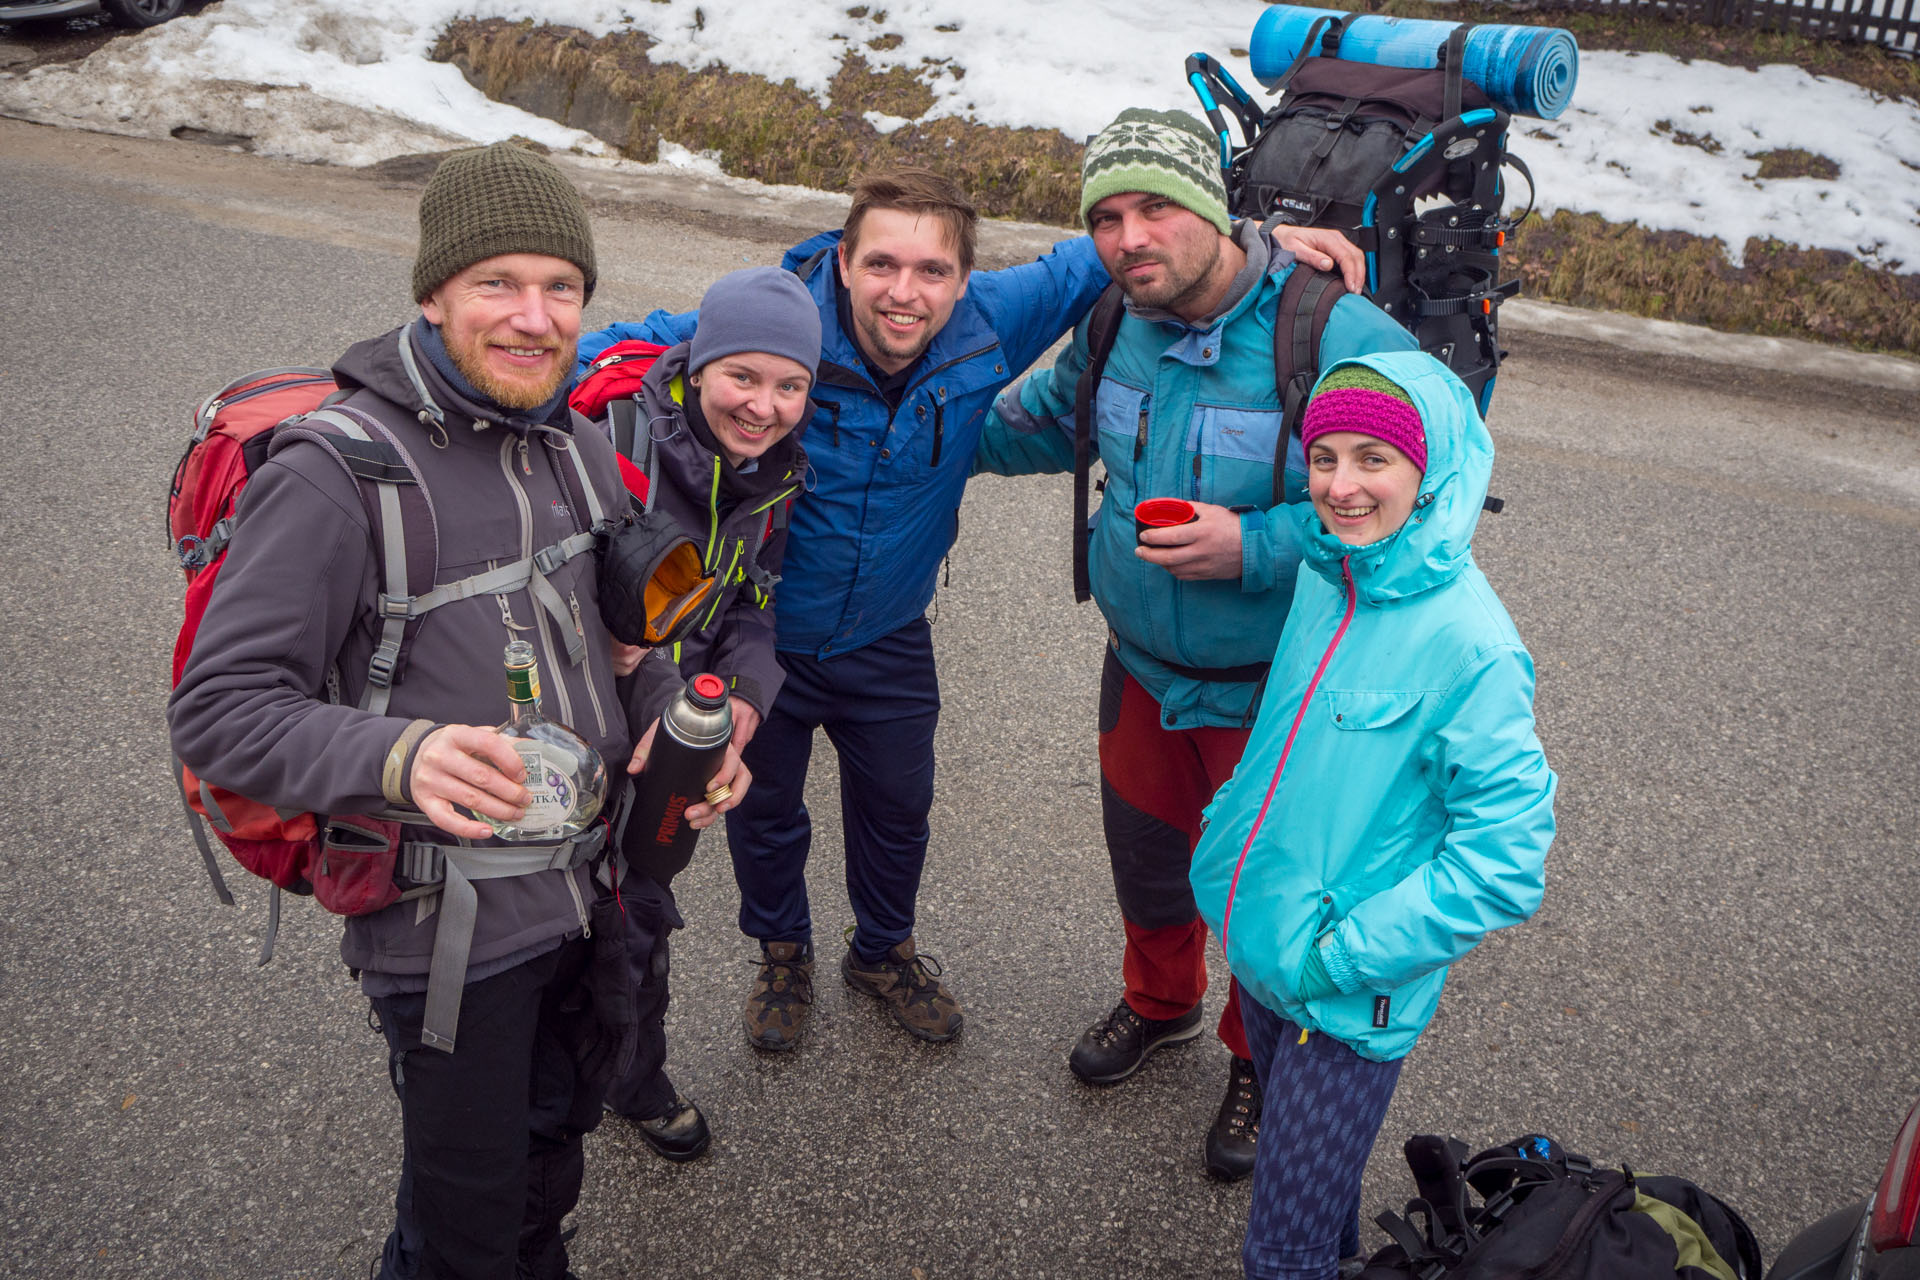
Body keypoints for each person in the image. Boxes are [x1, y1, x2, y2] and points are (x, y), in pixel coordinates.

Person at [580, 166, 1365, 1053]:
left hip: (890, 635)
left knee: (899, 810)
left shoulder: (998, 312)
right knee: (765, 816)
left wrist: (1256, 241)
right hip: (767, 636)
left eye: (932, 271)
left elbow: (1125, 245)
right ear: (841, 262)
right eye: (880, 265)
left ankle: (882, 951)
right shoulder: (785, 319)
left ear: (965, 277)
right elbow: (627, 346)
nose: (904, 293)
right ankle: (782, 952)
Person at [168, 142, 730, 1280]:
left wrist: (678, 721)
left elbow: (626, 642)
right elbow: (220, 709)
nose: (535, 317)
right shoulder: (336, 475)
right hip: (452, 934)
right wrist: (400, 754)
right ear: (433, 291)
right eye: (498, 284)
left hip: (593, 890)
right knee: (462, 1221)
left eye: (561, 287)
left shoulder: (574, 447)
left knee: (550, 1160)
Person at [973, 108, 1418, 1180]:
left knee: (1266, 894)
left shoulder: (1335, 333)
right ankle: (1159, 1000)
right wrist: (891, 424)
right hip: (1138, 667)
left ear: (1216, 211)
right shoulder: (1115, 321)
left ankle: (1252, 1054)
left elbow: (1417, 494)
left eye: (1157, 208)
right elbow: (1025, 421)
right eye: (1108, 216)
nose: (1131, 237)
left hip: (1278, 687)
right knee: (1148, 860)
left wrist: (1256, 543)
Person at [1187, 352, 1558, 1280]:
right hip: (1266, 944)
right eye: (1324, 458)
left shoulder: (1473, 647)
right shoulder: (1331, 573)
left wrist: (1343, 956)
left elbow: (1505, 862)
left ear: (1427, 470)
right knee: (1314, 1189)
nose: (1341, 487)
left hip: (1343, 997)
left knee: (1281, 1251)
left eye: (1373, 460)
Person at [592, 266, 821, 1161]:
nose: (764, 406)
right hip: (578, 725)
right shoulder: (613, 447)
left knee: (639, 905)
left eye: (790, 385)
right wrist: (666, 701)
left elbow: (752, 608)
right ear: (698, 366)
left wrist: (750, 707)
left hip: (680, 729)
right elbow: (575, 620)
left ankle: (627, 1077)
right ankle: (573, 1105)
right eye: (744, 377)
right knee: (589, 917)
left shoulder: (771, 477)